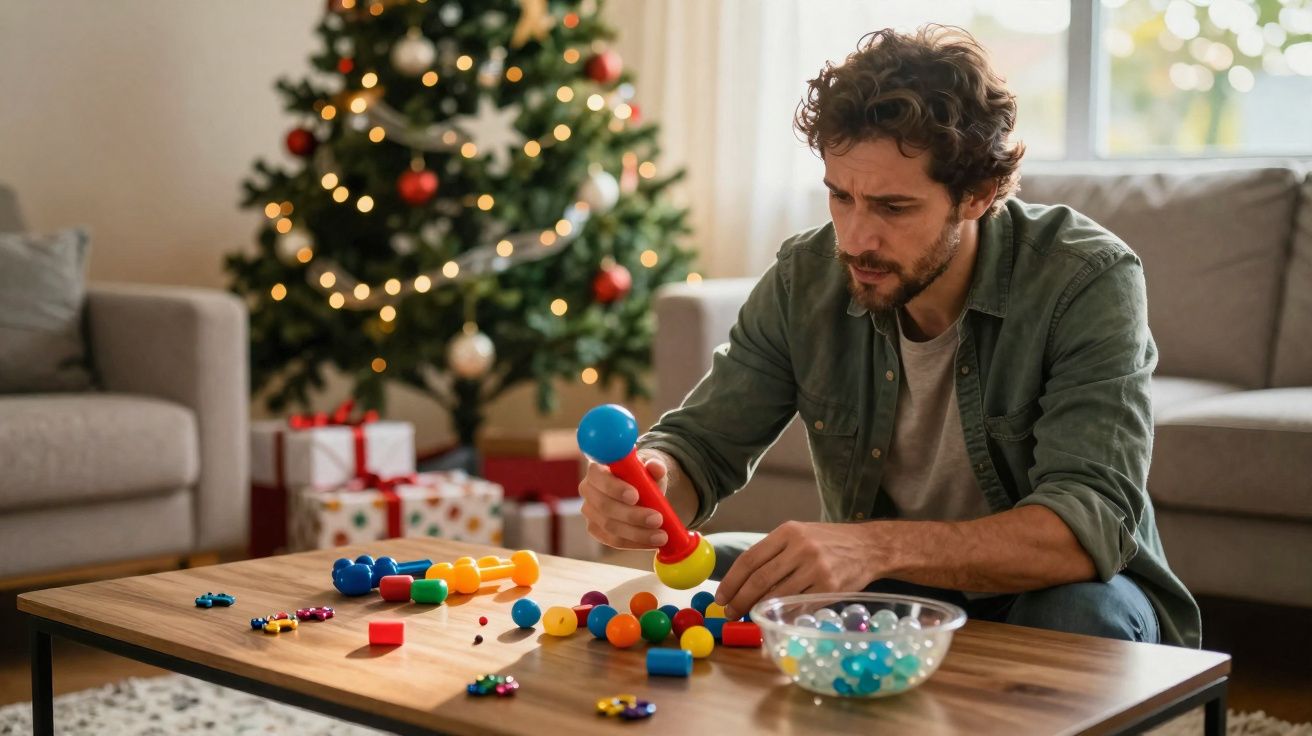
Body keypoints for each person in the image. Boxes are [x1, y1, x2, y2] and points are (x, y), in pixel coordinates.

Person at [578, 25, 1199, 647]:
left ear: (977, 195)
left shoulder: (1085, 279)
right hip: (895, 587)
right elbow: (702, 447)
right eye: (840, 196)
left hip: (1066, 591)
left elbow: (1085, 525)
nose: (855, 238)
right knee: (721, 576)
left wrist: (869, 547)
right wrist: (652, 487)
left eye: (893, 208)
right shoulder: (806, 277)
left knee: (1077, 618)